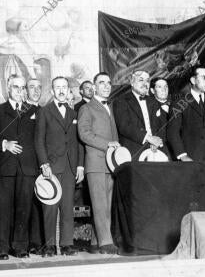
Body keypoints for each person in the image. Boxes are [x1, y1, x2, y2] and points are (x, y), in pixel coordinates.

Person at [0, 74, 39, 260]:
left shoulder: (33, 110)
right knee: (3, 209)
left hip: (27, 168)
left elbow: (40, 139)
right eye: (16, 87)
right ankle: (1, 248)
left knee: (24, 209)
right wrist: (4, 144)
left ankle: (20, 246)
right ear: (8, 88)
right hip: (5, 168)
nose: (20, 91)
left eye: (23, 88)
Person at [35, 77, 85, 257]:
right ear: (52, 91)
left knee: (67, 207)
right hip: (52, 167)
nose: (62, 90)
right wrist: (43, 163)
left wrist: (80, 166)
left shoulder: (73, 113)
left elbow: (79, 143)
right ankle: (48, 246)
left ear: (69, 90)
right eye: (58, 87)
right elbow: (39, 141)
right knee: (50, 207)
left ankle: (66, 244)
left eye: (64, 87)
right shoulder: (45, 112)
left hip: (70, 167)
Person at [77, 72, 120, 254]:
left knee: (106, 204)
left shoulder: (109, 106)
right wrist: (107, 144)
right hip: (95, 163)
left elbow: (115, 137)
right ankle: (105, 242)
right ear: (94, 87)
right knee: (101, 204)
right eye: (102, 83)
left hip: (110, 163)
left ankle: (95, 241)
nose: (106, 86)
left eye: (109, 83)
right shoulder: (87, 108)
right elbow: (84, 134)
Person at [167, 65, 205, 162]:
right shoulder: (179, 103)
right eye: (204, 77)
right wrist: (182, 156)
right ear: (193, 80)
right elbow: (173, 132)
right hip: (191, 159)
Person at [113, 70, 167, 160]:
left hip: (156, 150)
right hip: (133, 152)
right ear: (132, 82)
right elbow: (124, 126)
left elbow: (161, 124)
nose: (145, 83)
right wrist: (149, 138)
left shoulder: (153, 101)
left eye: (147, 81)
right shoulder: (121, 100)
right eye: (141, 80)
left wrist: (157, 141)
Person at [25, 78, 45, 254]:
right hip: (28, 165)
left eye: (39, 87)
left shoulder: (45, 110)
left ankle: (39, 241)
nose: (36, 91)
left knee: (41, 202)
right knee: (28, 204)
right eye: (32, 87)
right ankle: (28, 242)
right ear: (26, 90)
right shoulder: (21, 111)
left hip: (44, 164)